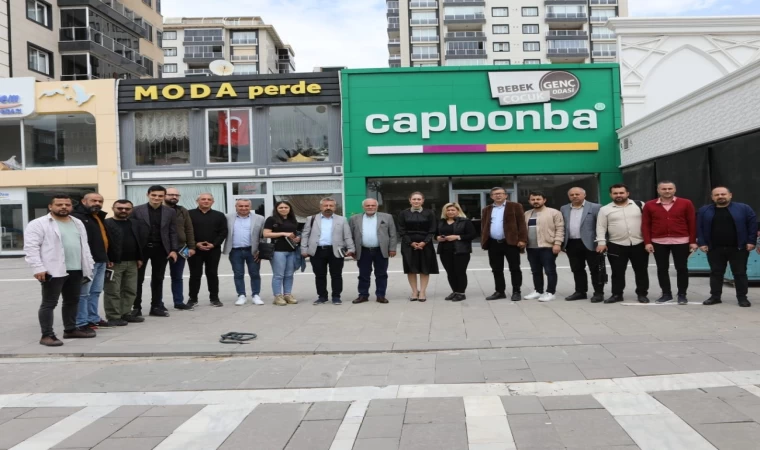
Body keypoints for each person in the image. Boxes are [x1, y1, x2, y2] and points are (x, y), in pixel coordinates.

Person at [24, 194, 95, 346]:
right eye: (59, 204)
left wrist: (89, 265)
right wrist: (38, 267)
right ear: (50, 206)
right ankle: (47, 335)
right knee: (49, 303)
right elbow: (31, 248)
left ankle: (70, 329)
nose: (64, 207)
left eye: (67, 205)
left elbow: (84, 245)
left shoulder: (77, 222)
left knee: (72, 301)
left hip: (76, 268)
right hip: (52, 270)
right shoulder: (38, 224)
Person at [697, 186, 757, 307]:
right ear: (712, 197)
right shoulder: (704, 210)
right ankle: (715, 297)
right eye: (717, 195)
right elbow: (699, 227)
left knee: (740, 273)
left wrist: (751, 241)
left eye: (723, 194)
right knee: (716, 273)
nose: (720, 196)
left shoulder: (744, 208)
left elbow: (752, 225)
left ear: (730, 195)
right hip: (714, 248)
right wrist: (702, 243)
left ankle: (742, 298)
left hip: (738, 248)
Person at [642, 181, 698, 305]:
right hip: (658, 241)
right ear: (658, 190)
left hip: (681, 241)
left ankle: (682, 294)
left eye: (670, 188)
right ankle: (666, 294)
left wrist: (692, 241)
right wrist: (647, 242)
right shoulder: (649, 205)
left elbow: (692, 222)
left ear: (674, 189)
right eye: (664, 189)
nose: (667, 191)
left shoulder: (686, 203)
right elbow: (645, 224)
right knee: (662, 268)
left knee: (682, 268)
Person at [596, 184, 650, 304]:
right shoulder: (605, 209)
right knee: (617, 272)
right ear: (611, 195)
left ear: (627, 193)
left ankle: (642, 294)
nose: (618, 195)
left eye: (621, 192)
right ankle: (617, 294)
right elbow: (601, 227)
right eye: (615, 193)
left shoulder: (640, 205)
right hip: (616, 245)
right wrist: (601, 242)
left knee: (641, 271)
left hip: (639, 244)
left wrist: (649, 241)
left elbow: (648, 223)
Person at [130, 185, 179, 318]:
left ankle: (156, 306)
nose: (157, 198)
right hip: (142, 249)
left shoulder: (170, 212)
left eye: (160, 196)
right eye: (154, 195)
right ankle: (136, 308)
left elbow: (173, 231)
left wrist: (173, 250)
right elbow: (132, 231)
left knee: (158, 278)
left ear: (164, 197)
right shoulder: (136, 210)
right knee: (138, 279)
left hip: (161, 249)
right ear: (148, 195)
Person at [301, 197, 355, 305]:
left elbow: (347, 235)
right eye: (326, 205)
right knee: (319, 275)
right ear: (321, 207)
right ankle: (322, 297)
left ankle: (336, 296)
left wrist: (351, 248)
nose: (328, 207)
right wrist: (304, 249)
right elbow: (305, 235)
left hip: (336, 250)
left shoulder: (342, 219)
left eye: (331, 205)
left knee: (336, 275)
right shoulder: (311, 219)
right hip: (317, 251)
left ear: (335, 207)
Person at [103, 200, 148, 326]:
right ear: (113, 208)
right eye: (120, 208)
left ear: (131, 210)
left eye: (127, 209)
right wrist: (107, 259)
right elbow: (103, 243)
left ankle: (125, 313)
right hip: (114, 263)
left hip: (132, 262)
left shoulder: (135, 223)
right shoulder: (106, 223)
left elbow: (139, 241)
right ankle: (113, 316)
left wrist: (139, 258)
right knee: (113, 291)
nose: (123, 211)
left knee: (130, 290)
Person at [71, 192, 111, 330]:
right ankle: (81, 322)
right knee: (84, 293)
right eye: (94, 200)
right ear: (84, 201)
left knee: (96, 292)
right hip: (87, 262)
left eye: (100, 201)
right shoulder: (77, 218)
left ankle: (93, 318)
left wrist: (107, 258)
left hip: (101, 260)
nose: (97, 203)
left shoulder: (98, 216)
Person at [481, 187, 527, 301]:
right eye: (495, 194)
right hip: (493, 243)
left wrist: (522, 239)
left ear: (506, 195)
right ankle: (500, 291)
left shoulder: (515, 206)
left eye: (500, 193)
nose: (498, 195)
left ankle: (516, 291)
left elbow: (522, 224)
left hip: (511, 242)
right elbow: (484, 225)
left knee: (514, 268)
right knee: (496, 269)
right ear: (491, 196)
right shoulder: (486, 209)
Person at [349, 198, 398, 304]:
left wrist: (392, 248)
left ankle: (381, 295)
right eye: (368, 205)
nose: (370, 207)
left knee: (381, 274)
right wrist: (351, 250)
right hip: (363, 251)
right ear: (363, 207)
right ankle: (363, 295)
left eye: (373, 205)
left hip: (381, 250)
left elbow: (393, 234)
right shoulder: (354, 218)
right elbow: (350, 235)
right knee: (363, 274)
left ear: (377, 206)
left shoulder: (387, 217)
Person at [560, 187, 604, 303]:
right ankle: (580, 292)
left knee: (595, 269)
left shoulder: (595, 207)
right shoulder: (564, 208)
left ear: (584, 195)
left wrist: (602, 242)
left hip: (591, 243)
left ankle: (598, 293)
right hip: (572, 243)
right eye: (572, 195)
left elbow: (601, 225)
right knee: (577, 269)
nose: (574, 196)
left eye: (577, 194)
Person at [523, 191, 565, 302]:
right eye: (533, 199)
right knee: (535, 271)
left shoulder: (554, 212)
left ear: (544, 200)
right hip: (531, 247)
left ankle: (550, 292)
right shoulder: (527, 214)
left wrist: (557, 243)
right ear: (529, 201)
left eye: (538, 199)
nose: (535, 201)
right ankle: (538, 291)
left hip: (547, 246)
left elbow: (560, 229)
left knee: (549, 270)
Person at [223, 199, 265, 307]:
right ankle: (241, 295)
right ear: (236, 206)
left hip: (253, 251)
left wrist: (261, 250)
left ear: (250, 207)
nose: (243, 208)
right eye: (241, 206)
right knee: (238, 274)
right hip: (235, 251)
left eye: (246, 206)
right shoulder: (227, 217)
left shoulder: (259, 218)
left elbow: (263, 236)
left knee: (255, 274)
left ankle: (256, 295)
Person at [188, 193, 228, 308]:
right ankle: (193, 299)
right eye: (203, 199)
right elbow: (186, 231)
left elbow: (223, 232)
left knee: (212, 274)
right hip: (194, 250)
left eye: (209, 199)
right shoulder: (189, 214)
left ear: (213, 202)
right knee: (195, 274)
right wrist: (196, 244)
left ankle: (214, 298)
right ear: (197, 201)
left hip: (213, 250)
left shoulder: (219, 215)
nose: (206, 201)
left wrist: (214, 244)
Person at [398, 192, 438, 302]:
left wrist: (424, 242)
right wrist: (410, 242)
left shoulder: (430, 213)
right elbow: (401, 230)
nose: (416, 201)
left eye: (419, 199)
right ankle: (414, 291)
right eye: (414, 199)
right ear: (410, 200)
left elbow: (433, 229)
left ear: (423, 201)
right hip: (408, 245)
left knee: (425, 268)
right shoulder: (403, 213)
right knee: (411, 269)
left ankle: (423, 292)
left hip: (426, 245)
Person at [436, 203, 477, 302]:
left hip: (461, 251)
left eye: (453, 210)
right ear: (445, 211)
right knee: (450, 272)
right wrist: (437, 238)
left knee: (460, 272)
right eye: (448, 210)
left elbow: (472, 235)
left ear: (458, 211)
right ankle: (455, 291)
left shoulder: (465, 221)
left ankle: (461, 293)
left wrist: (457, 237)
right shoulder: (441, 222)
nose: (450, 212)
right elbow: (435, 234)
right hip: (444, 251)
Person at [264, 201, 301, 306]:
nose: (283, 209)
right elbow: (266, 234)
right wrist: (283, 233)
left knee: (289, 274)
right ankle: (277, 296)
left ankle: (287, 294)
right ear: (276, 209)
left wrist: (297, 238)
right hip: (278, 251)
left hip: (291, 250)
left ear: (289, 209)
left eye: (286, 207)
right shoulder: (271, 219)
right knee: (278, 275)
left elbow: (295, 234)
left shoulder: (292, 220)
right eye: (281, 207)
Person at [164, 187, 196, 311]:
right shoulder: (159, 210)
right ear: (164, 195)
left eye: (176, 195)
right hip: (162, 248)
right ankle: (157, 303)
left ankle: (179, 302)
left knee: (177, 276)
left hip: (180, 247)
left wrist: (191, 246)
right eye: (171, 194)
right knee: (158, 277)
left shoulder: (182, 210)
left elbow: (189, 228)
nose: (174, 197)